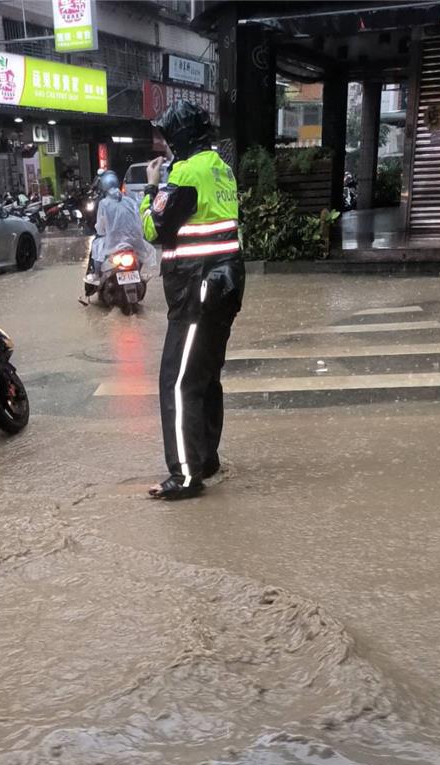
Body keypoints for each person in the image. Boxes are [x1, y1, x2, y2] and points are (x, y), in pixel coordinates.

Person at [140, 100, 245, 500]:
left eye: (168, 137)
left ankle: (185, 475)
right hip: (226, 285)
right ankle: (205, 459)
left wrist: (151, 188)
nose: (166, 145)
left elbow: (155, 229)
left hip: (196, 289)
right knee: (205, 377)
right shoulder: (221, 168)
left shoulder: (186, 172)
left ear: (180, 136)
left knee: (178, 382)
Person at [85, 169, 155, 295]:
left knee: (96, 246)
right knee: (141, 255)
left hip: (114, 244)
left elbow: (100, 228)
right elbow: (139, 222)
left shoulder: (104, 203)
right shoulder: (130, 201)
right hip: (134, 242)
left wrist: (101, 231)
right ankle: (139, 274)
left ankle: (96, 276)